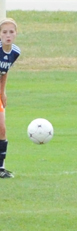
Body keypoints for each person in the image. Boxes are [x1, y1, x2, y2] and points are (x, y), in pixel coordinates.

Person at [0, 18, 20, 179]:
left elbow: (4, 71)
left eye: (11, 32)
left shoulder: (15, 52)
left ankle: (0, 168)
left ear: (16, 34)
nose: (8, 35)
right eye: (4, 32)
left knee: (2, 129)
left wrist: (2, 92)